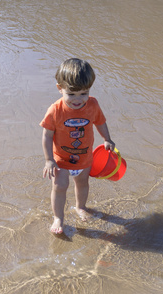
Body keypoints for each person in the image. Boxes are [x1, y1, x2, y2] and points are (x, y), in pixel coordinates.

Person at [40, 58, 115, 234]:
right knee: (59, 187)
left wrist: (107, 139)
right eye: (71, 94)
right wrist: (49, 160)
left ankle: (81, 207)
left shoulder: (92, 105)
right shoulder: (55, 110)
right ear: (60, 88)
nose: (78, 99)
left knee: (82, 183)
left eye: (84, 93)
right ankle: (58, 218)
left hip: (85, 157)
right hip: (61, 159)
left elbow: (100, 122)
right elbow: (47, 135)